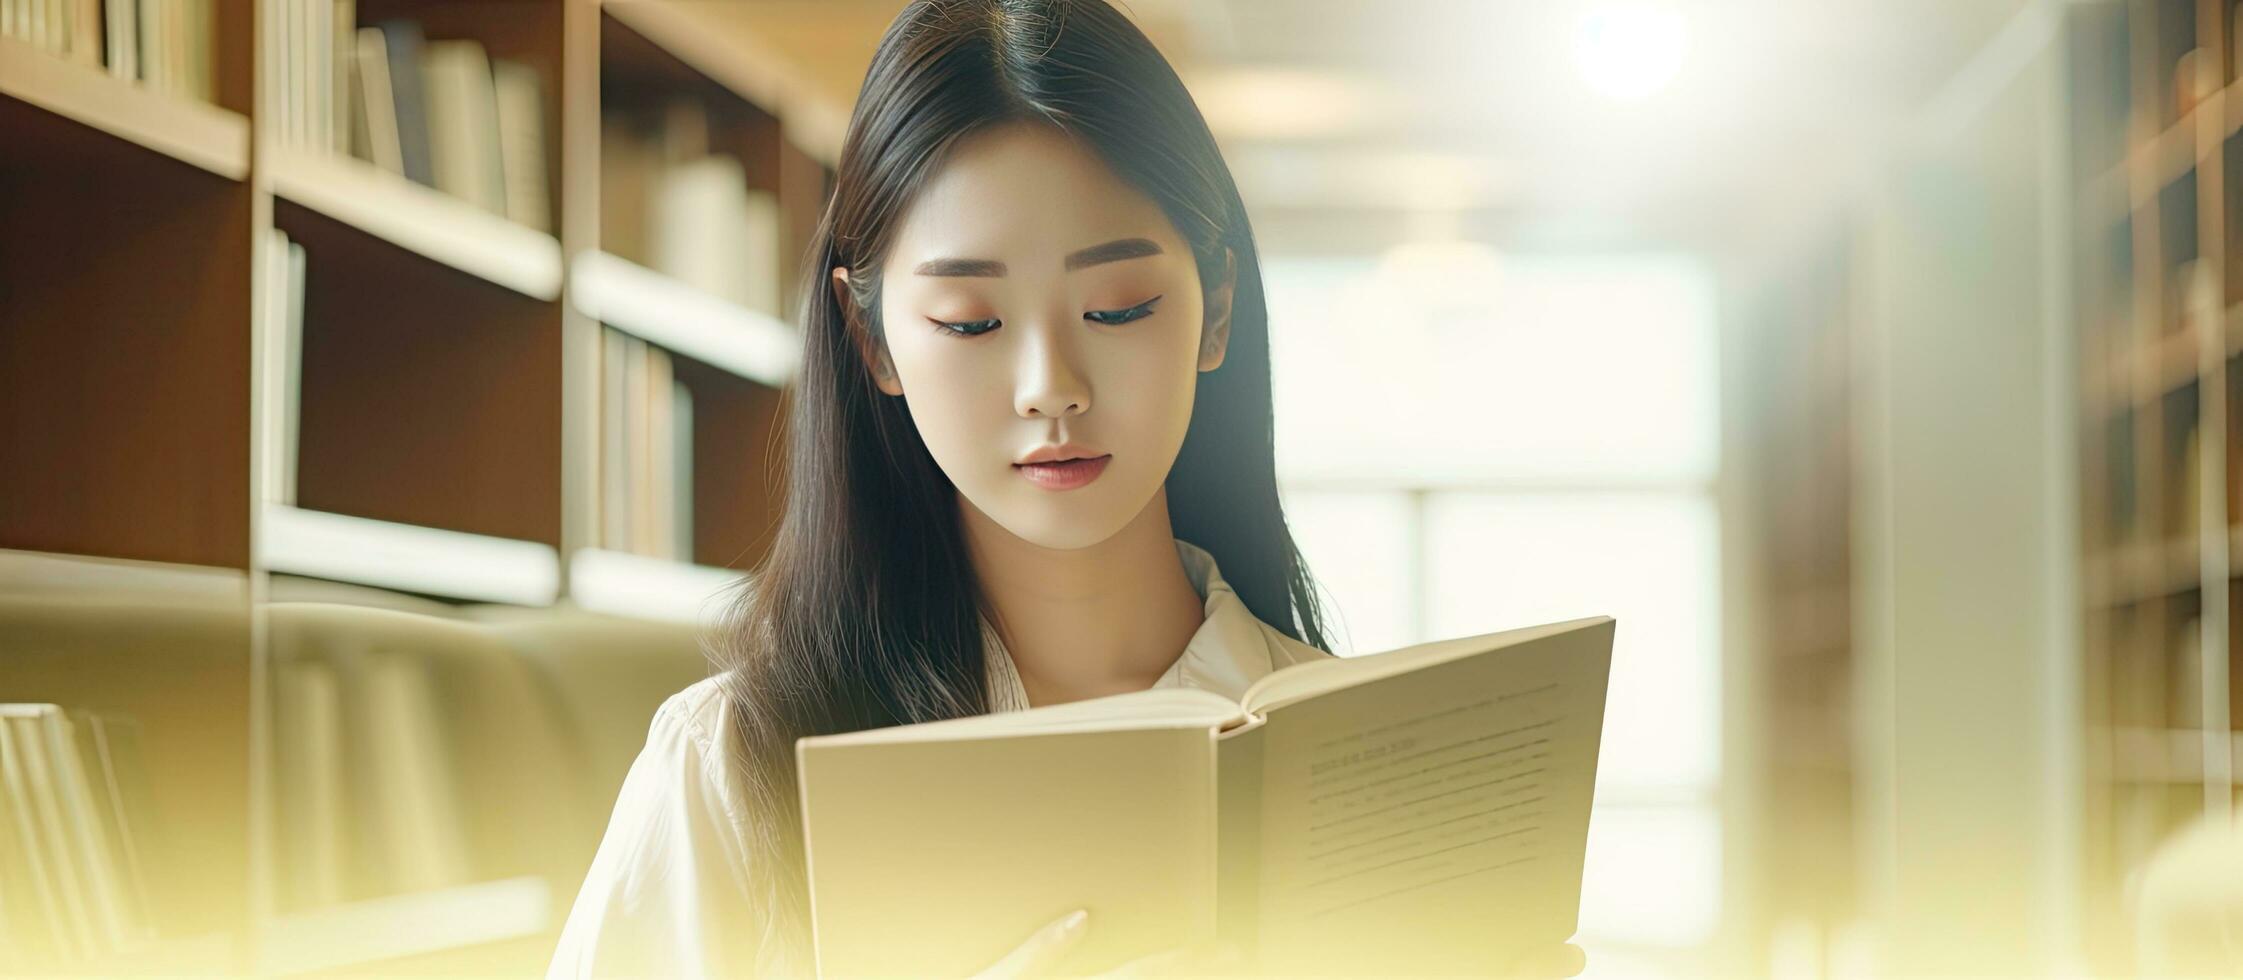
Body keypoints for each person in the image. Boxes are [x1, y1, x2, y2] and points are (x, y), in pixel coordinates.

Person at [547, 1, 1587, 976]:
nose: (1052, 387)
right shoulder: (734, 769)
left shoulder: (1366, 765)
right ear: (872, 339)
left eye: (1120, 306)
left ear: (1213, 308)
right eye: (968, 319)